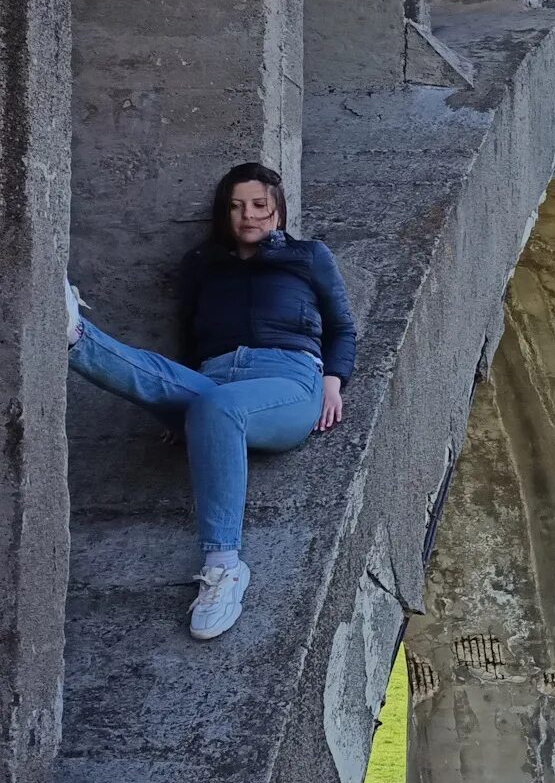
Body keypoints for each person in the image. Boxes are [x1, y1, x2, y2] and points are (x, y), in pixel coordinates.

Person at [66, 162, 357, 640]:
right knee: (164, 378)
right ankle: (76, 335)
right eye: (236, 207)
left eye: (260, 206)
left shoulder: (308, 257)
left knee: (218, 407)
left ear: (278, 211)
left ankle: (224, 567)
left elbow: (342, 326)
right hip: (213, 379)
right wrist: (183, 402)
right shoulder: (202, 263)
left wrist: (333, 379)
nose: (248, 217)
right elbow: (188, 336)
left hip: (287, 380)